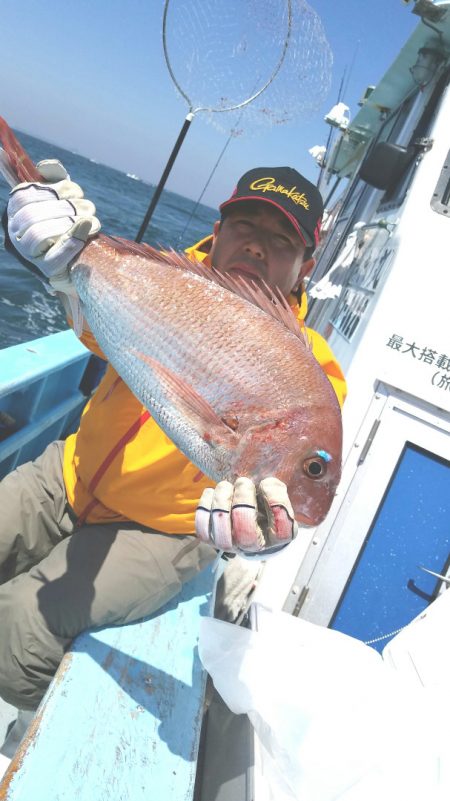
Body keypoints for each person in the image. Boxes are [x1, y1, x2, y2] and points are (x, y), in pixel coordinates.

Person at [0, 163, 346, 715]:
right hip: (68, 472)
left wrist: (264, 533)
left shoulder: (316, 376)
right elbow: (93, 325)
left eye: (282, 239)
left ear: (306, 266)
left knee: (21, 628)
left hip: (161, 532)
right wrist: (54, 261)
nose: (257, 246)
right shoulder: (160, 278)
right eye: (246, 225)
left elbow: (280, 490)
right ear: (220, 230)